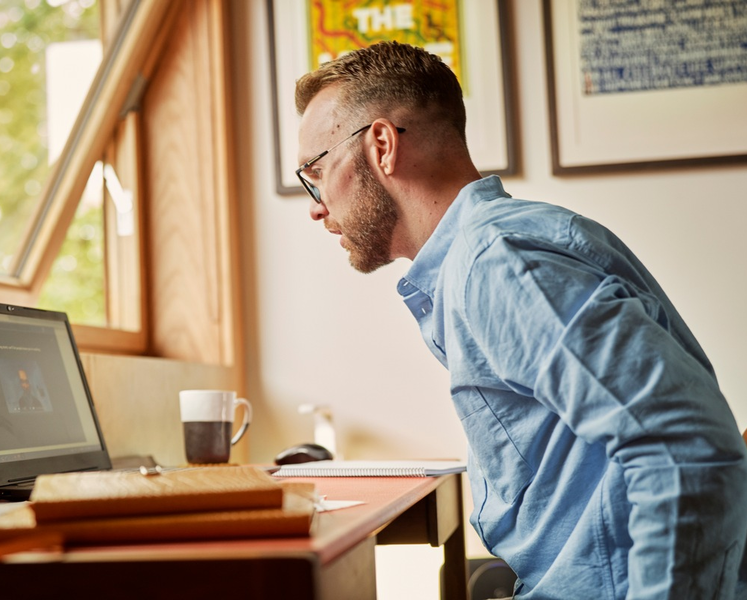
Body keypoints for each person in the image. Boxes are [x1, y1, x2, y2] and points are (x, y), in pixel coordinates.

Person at [294, 41, 747, 599]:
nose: (315, 205)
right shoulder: (481, 260)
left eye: (314, 172)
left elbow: (686, 451)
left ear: (382, 146)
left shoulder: (498, 265)